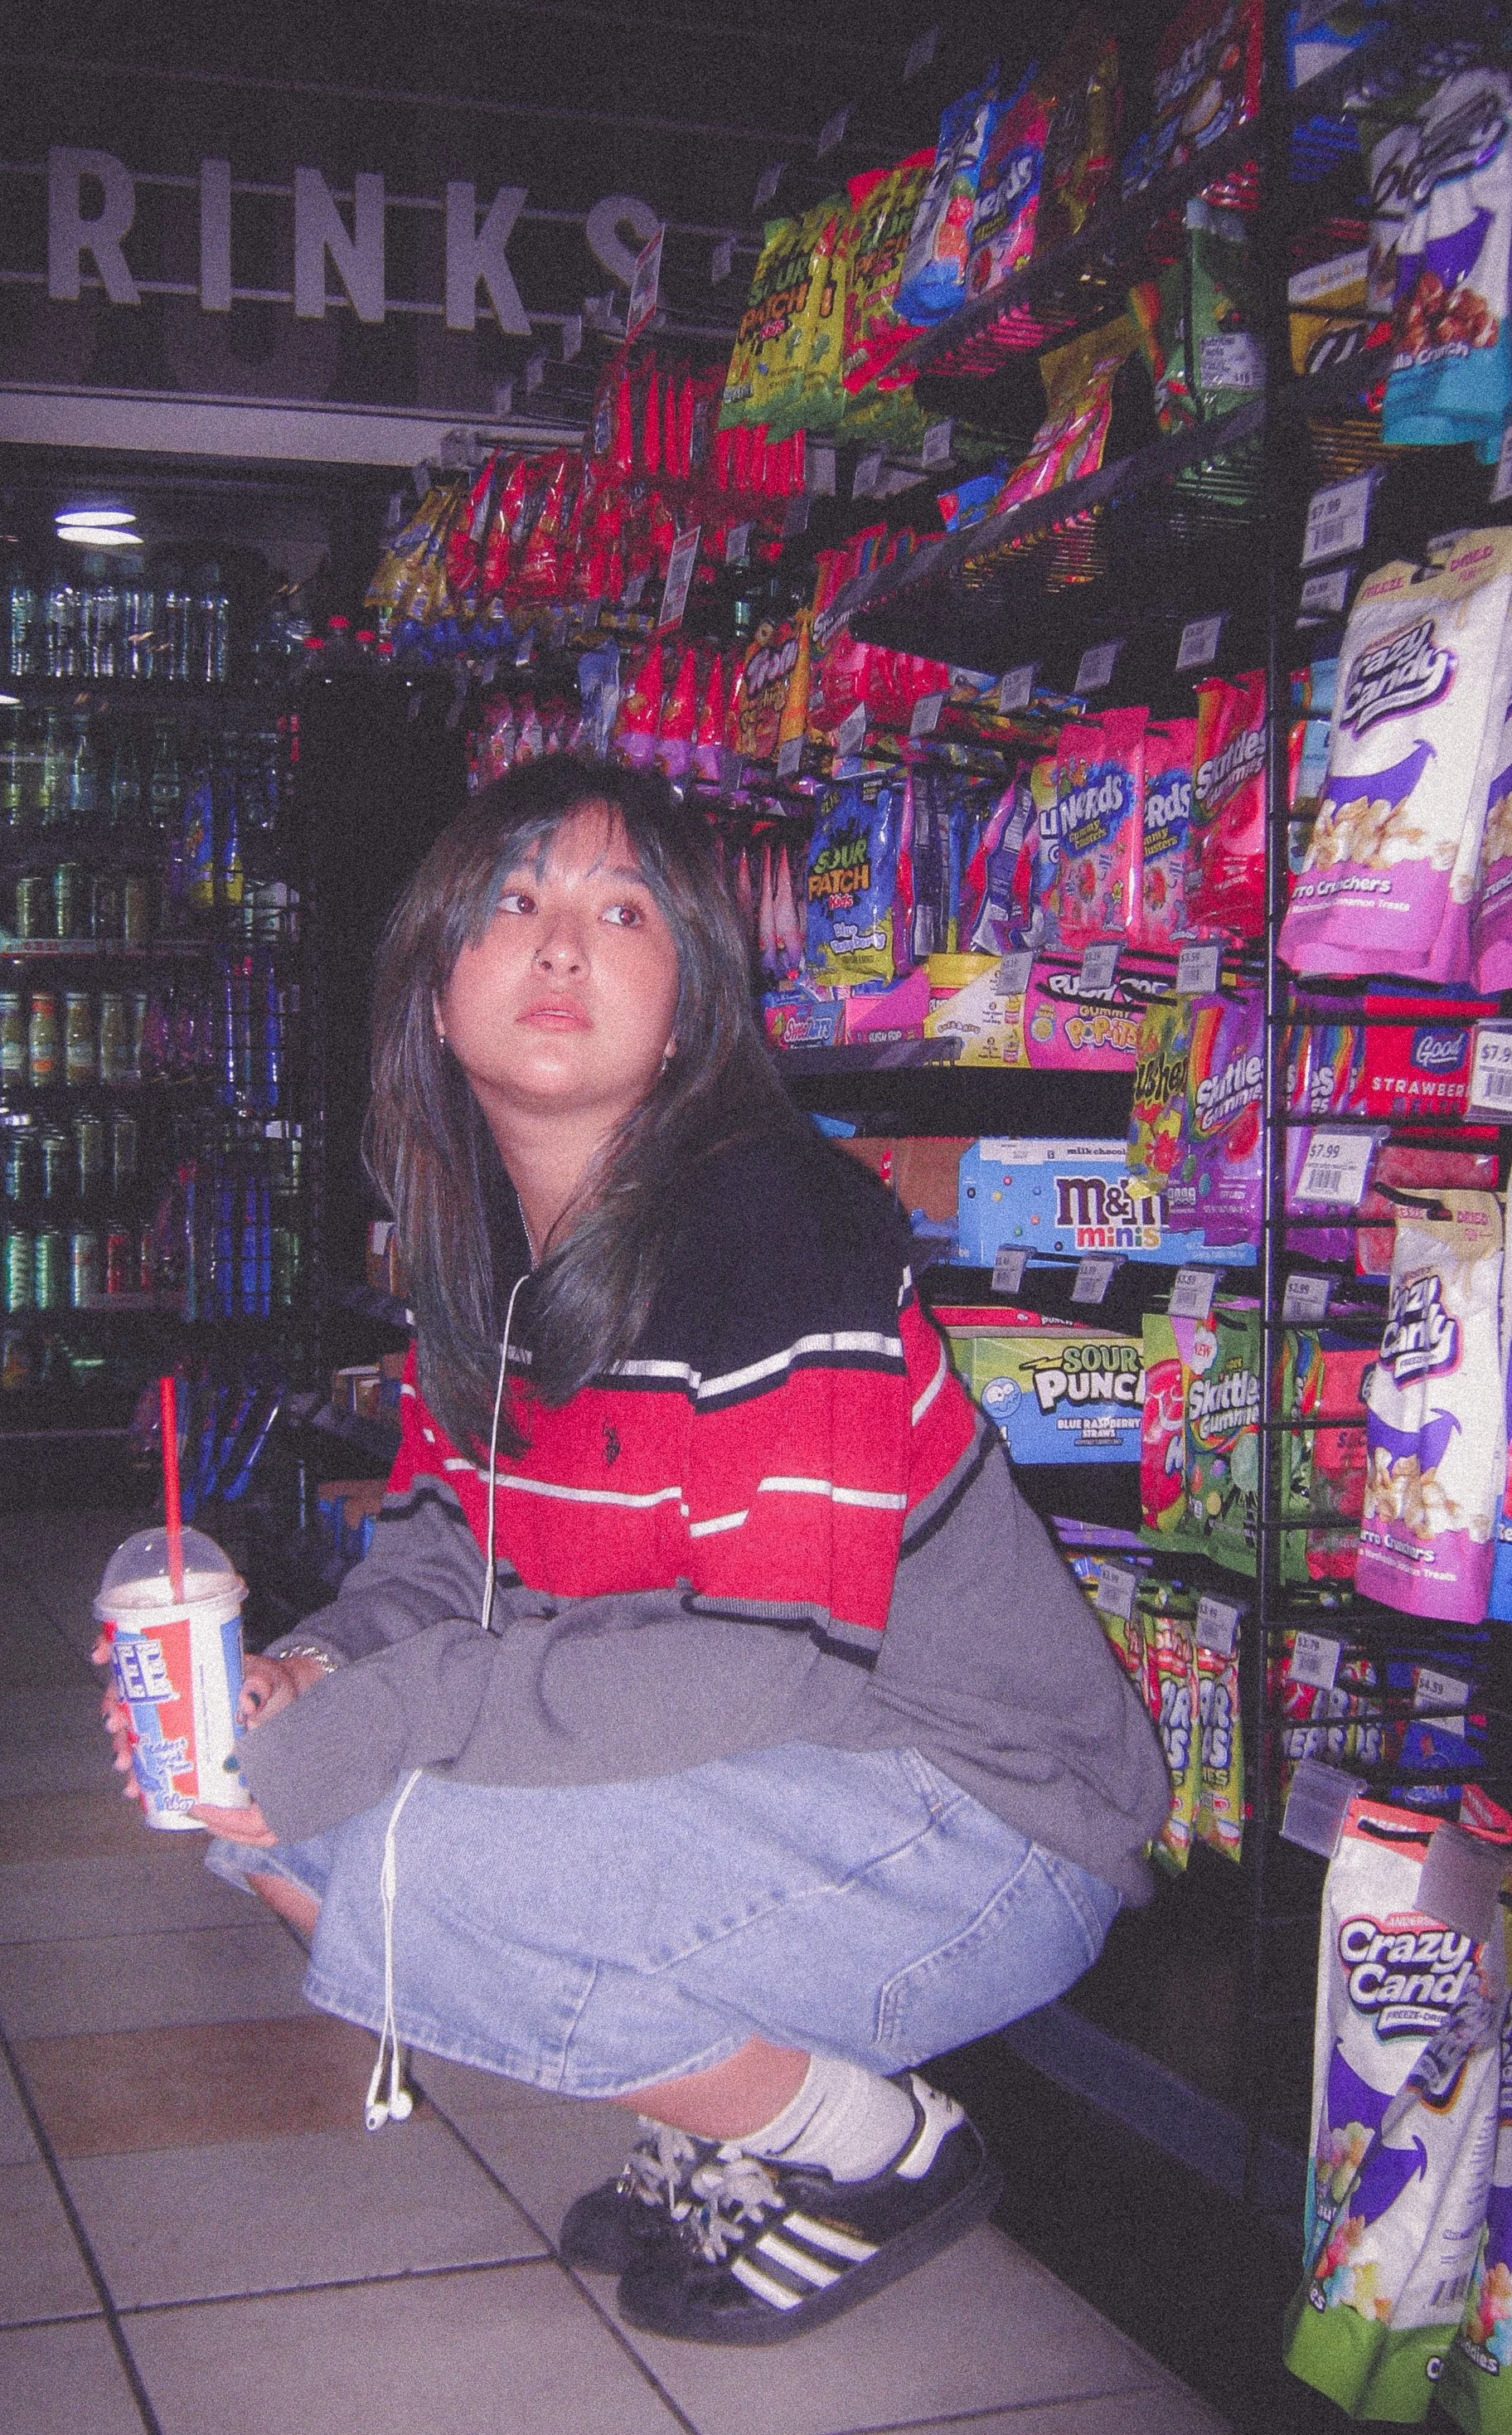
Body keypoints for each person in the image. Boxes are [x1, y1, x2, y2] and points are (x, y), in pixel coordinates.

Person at [103, 755, 1170, 2347]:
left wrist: (385, 1724)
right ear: (436, 990)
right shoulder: (484, 1258)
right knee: (267, 1827)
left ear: (685, 1015)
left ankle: (866, 2147)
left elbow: (765, 1657)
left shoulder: (772, 1228)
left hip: (991, 1824)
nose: (556, 947)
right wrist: (313, 1670)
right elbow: (440, 1563)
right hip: (792, 1769)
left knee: (396, 1853)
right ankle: (729, 2101)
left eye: (619, 911)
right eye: (514, 903)